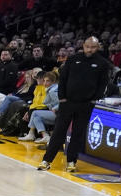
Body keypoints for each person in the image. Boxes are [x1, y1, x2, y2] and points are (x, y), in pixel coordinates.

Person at [38, 37, 111, 173]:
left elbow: (103, 83)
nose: (90, 50)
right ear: (83, 45)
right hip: (68, 102)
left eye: (93, 47)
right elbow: (63, 78)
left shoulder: (102, 63)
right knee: (58, 132)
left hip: (86, 104)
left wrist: (94, 99)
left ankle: (71, 162)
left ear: (98, 47)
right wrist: (62, 97)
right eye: (87, 46)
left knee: (78, 134)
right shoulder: (73, 59)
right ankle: (46, 160)